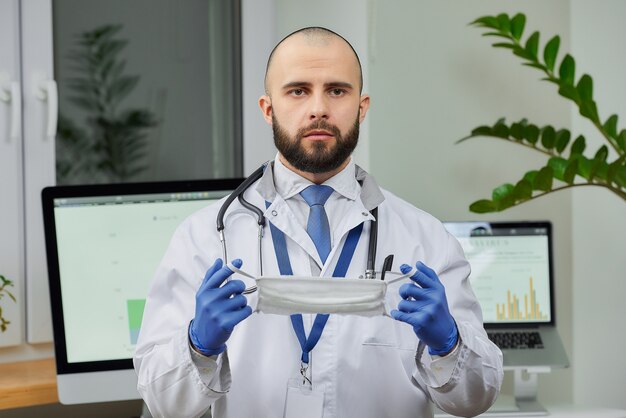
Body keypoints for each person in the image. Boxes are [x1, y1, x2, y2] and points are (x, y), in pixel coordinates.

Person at [134, 27, 503, 418]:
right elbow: (162, 402)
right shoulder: (205, 237)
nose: (318, 109)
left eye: (337, 91)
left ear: (362, 107)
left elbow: (474, 400)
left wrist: (448, 345)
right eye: (297, 90)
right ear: (268, 108)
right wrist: (198, 346)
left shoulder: (425, 239)